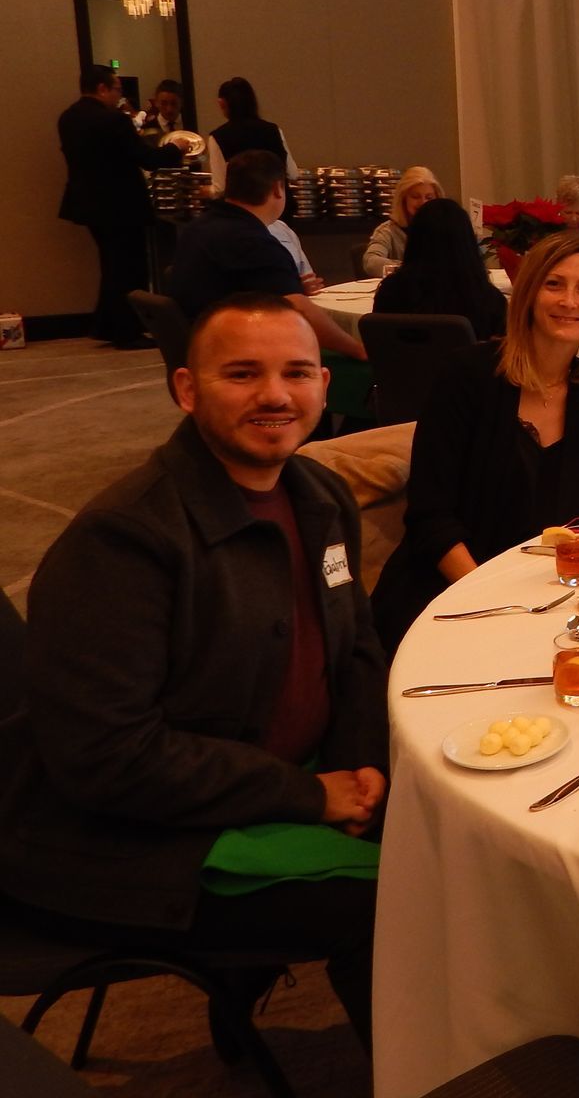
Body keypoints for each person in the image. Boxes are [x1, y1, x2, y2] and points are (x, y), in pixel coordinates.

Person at [0, 293, 391, 1049]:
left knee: (460, 829)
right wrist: (308, 795)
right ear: (186, 389)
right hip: (130, 838)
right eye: (243, 374)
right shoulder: (124, 541)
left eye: (298, 372)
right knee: (416, 894)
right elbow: (109, 758)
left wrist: (360, 760)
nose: (275, 395)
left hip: (284, 778)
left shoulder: (319, 496)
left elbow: (358, 647)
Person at [371, 230, 579, 648]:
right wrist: (488, 597)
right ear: (528, 292)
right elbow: (430, 519)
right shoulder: (467, 377)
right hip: (447, 591)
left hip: (542, 597)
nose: (569, 301)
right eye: (554, 284)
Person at [166, 151, 367, 360]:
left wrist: (288, 287)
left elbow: (232, 285)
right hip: (229, 353)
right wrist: (358, 349)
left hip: (199, 342)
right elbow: (299, 311)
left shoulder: (200, 227)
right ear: (277, 189)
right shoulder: (251, 241)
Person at [57, 63, 194, 347]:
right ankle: (127, 331)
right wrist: (176, 148)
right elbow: (147, 158)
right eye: (117, 88)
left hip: (86, 204)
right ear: (102, 88)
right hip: (121, 205)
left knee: (111, 265)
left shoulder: (68, 118)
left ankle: (107, 326)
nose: (120, 95)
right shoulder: (113, 121)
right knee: (129, 269)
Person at [372, 196, 508, 342]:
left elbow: (378, 343)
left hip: (403, 364)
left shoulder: (390, 292)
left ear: (414, 241)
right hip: (464, 365)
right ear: (467, 241)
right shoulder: (488, 300)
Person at [361, 166, 444, 276]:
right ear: (403, 199)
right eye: (415, 197)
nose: (423, 202)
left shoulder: (446, 229)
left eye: (429, 197)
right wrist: (408, 269)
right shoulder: (388, 231)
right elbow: (371, 262)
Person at [209, 76, 290, 169]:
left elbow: (220, 182)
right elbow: (292, 173)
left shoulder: (218, 137)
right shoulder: (274, 130)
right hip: (275, 183)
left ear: (222, 103)